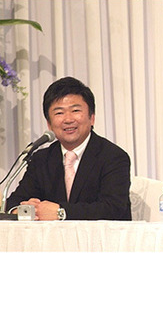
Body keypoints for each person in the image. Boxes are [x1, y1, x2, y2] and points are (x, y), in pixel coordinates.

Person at [6, 77, 132, 220]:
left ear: (92, 118)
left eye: (75, 110)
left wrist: (61, 212)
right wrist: (22, 210)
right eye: (59, 113)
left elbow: (112, 209)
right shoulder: (41, 159)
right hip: (51, 235)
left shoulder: (113, 157)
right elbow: (14, 202)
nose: (68, 119)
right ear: (49, 124)